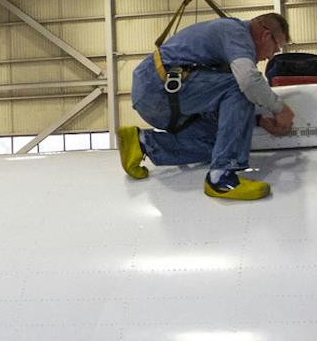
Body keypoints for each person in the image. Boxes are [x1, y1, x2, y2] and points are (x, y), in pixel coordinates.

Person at [117, 12, 295, 200]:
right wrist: (280, 109)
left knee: (216, 144)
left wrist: (258, 121)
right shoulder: (236, 32)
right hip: (158, 87)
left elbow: (223, 106)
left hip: (161, 96)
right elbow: (248, 82)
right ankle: (221, 177)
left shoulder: (229, 43)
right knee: (240, 87)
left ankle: (143, 142)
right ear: (266, 36)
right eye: (275, 48)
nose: (269, 56)